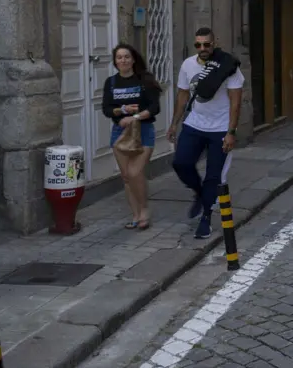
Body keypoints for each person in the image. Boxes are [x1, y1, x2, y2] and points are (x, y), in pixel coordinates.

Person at [168, 28, 245, 239]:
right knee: (181, 163)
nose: (202, 49)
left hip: (220, 128)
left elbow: (235, 102)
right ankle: (199, 193)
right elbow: (183, 95)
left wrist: (231, 132)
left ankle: (206, 218)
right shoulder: (188, 65)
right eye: (198, 45)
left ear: (214, 43)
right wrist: (174, 123)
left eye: (207, 44)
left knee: (214, 175)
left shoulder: (228, 67)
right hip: (194, 124)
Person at [102, 44, 161, 230]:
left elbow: (154, 107)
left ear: (133, 59)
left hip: (143, 129)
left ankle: (144, 210)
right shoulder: (111, 83)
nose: (123, 60)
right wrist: (122, 110)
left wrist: (133, 117)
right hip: (120, 133)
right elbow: (107, 109)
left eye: (126, 57)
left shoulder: (144, 80)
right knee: (127, 176)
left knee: (136, 172)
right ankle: (135, 215)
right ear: (115, 61)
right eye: (119, 57)